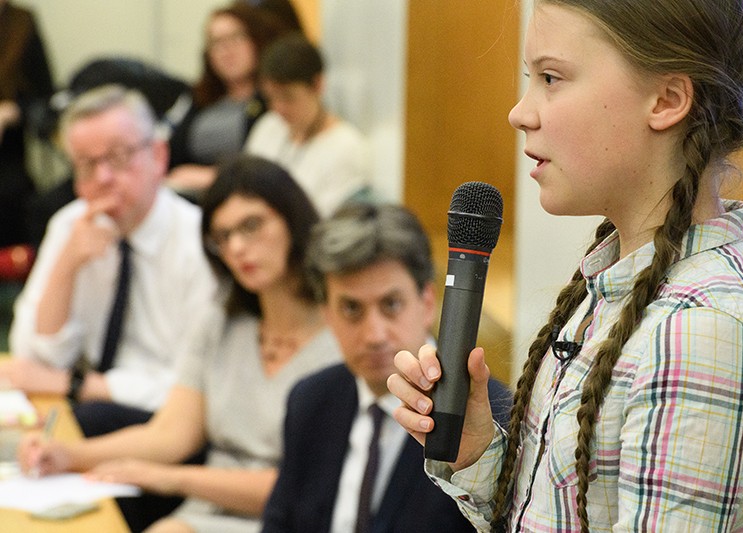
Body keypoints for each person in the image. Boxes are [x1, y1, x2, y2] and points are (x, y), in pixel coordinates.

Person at [388, 1, 743, 532]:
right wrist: (476, 454)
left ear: (668, 100)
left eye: (552, 78)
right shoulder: (617, 283)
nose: (520, 112)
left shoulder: (699, 329)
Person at [18, 154, 342, 533]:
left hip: (290, 520)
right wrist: (68, 455)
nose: (237, 247)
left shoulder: (341, 335)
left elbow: (303, 488)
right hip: (206, 513)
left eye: (251, 225)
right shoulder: (221, 321)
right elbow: (170, 433)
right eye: (223, 237)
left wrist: (174, 478)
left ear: (293, 221)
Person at [260, 202, 512, 532]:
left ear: (427, 303)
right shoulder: (310, 399)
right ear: (327, 315)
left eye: (391, 305)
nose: (374, 335)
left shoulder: (491, 415)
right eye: (351, 308)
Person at [2, 85, 217, 438]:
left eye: (118, 158)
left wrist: (77, 386)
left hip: (166, 425)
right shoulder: (71, 224)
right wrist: (66, 266)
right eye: (87, 165)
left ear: (159, 156)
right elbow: (30, 358)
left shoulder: (198, 241)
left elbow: (192, 388)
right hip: (85, 408)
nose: (103, 178)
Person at [166, 1, 297, 198]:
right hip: (181, 197)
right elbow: (170, 153)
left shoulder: (273, 100)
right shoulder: (198, 98)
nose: (226, 49)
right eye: (216, 42)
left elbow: (273, 167)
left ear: (256, 40)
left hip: (242, 195)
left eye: (236, 37)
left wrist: (212, 176)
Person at [245, 33, 371, 218]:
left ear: (317, 85)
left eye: (287, 97)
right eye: (271, 98)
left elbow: (322, 225)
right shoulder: (268, 126)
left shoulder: (347, 147)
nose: (278, 108)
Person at [0, 0, 54, 248]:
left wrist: (12, 110)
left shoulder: (21, 23)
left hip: (8, 155)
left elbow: (46, 96)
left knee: (13, 194)